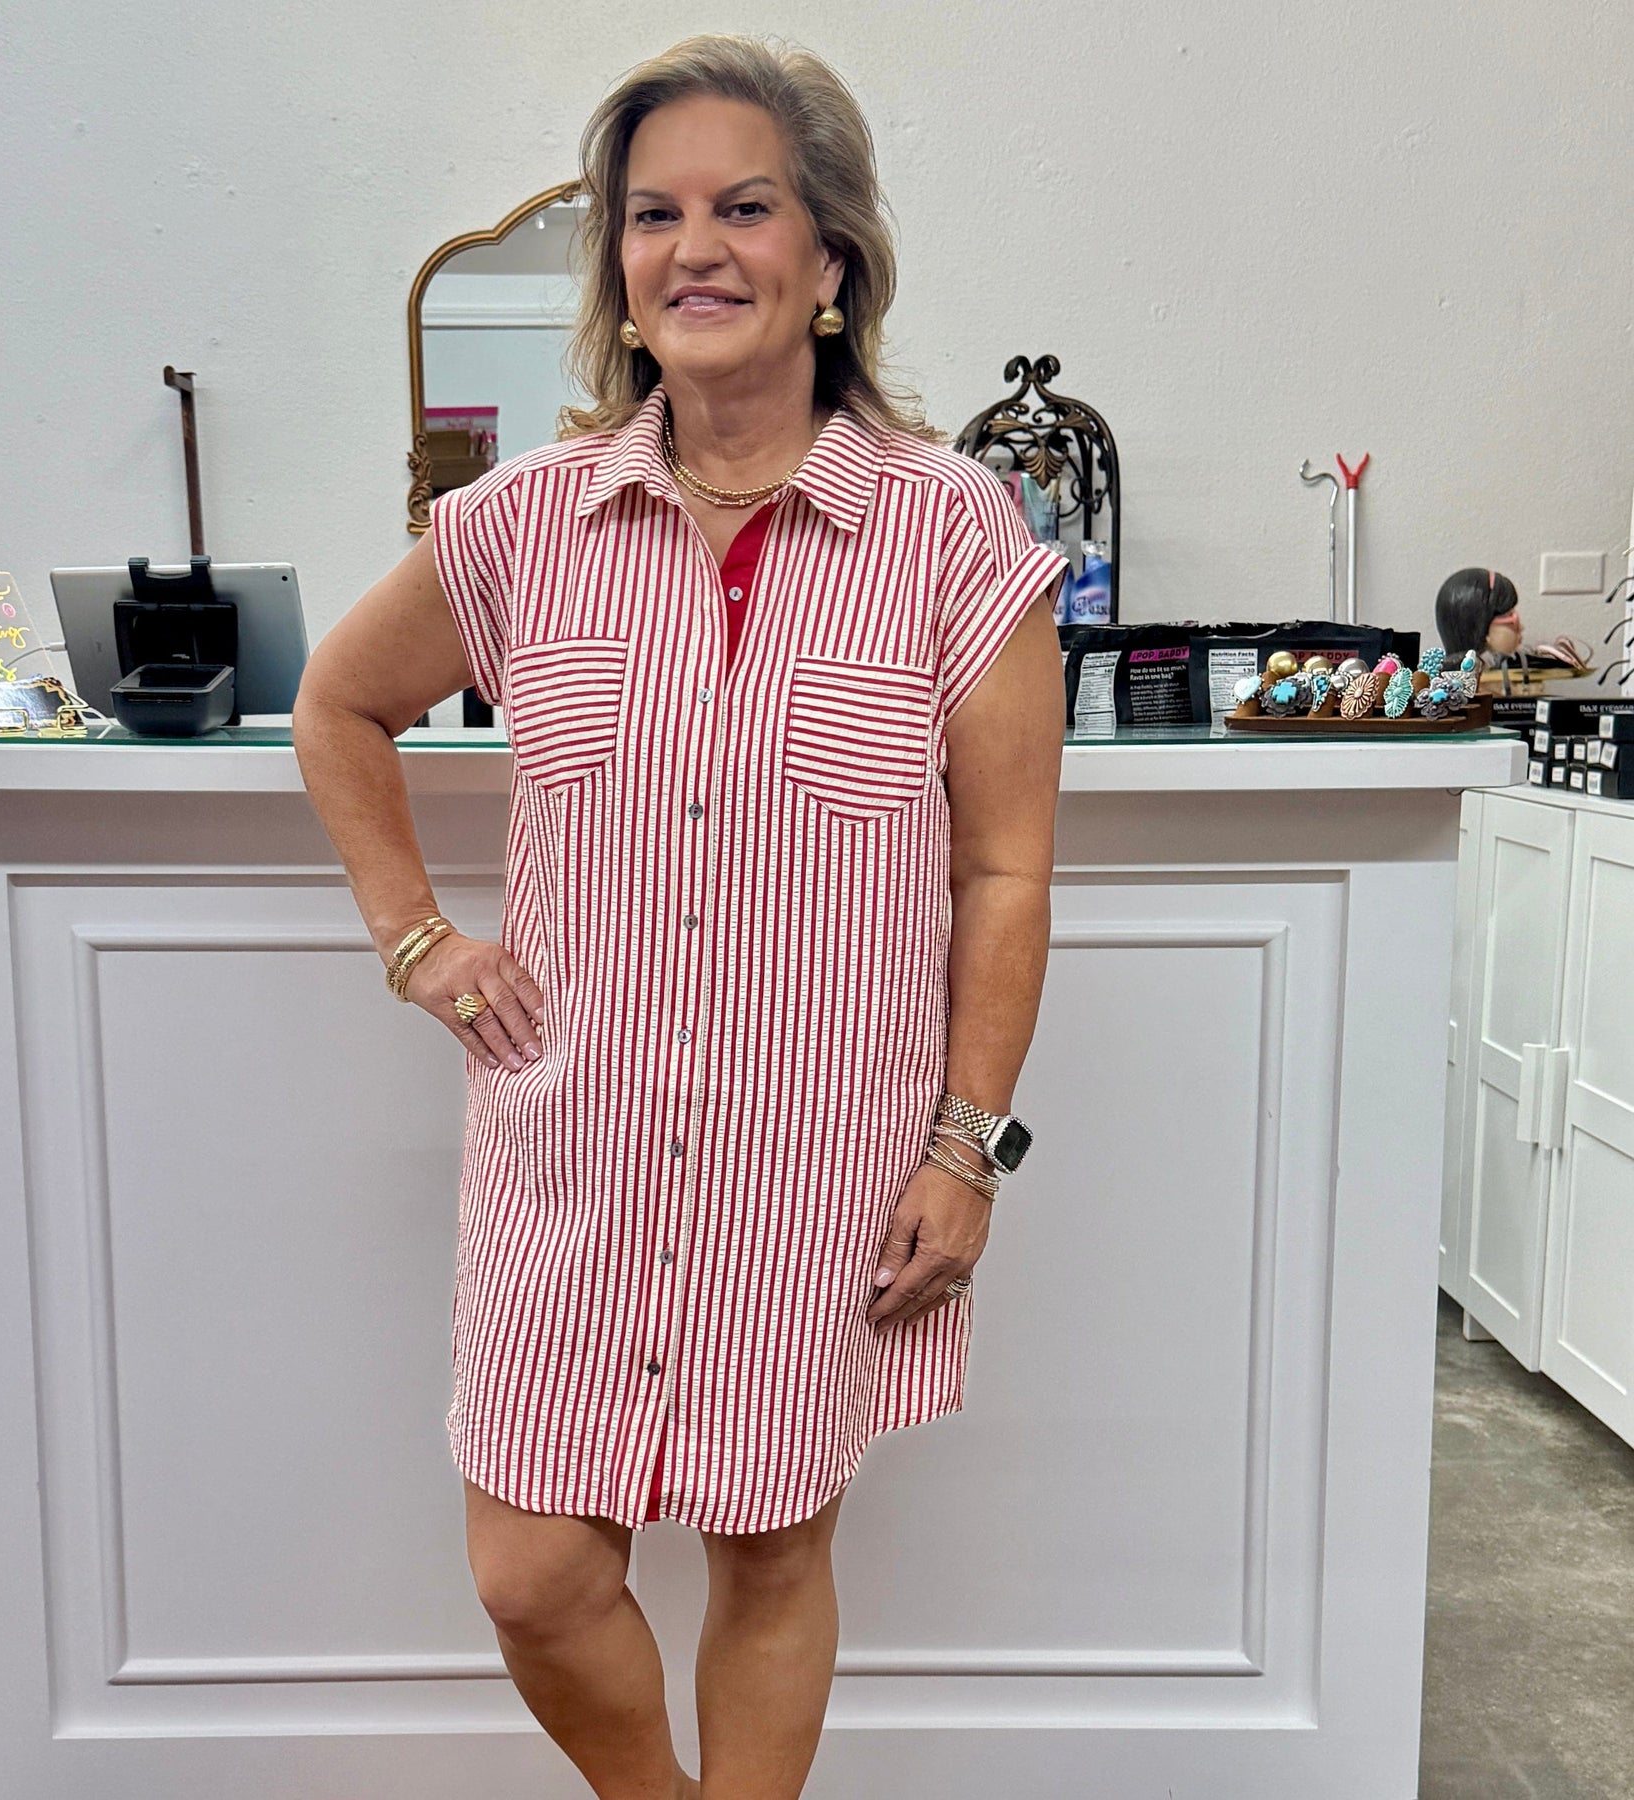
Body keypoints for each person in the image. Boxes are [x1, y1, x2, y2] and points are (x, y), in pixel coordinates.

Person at [292, 33, 1066, 1800]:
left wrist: (967, 1149)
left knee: (771, 1545)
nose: (694, 247)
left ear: (830, 258)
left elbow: (1003, 872)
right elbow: (338, 706)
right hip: (572, 1145)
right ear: (619, 271)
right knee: (533, 1571)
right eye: (653, 215)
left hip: (821, 1148)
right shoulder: (527, 525)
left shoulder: (954, 535)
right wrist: (418, 941)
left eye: (745, 207)